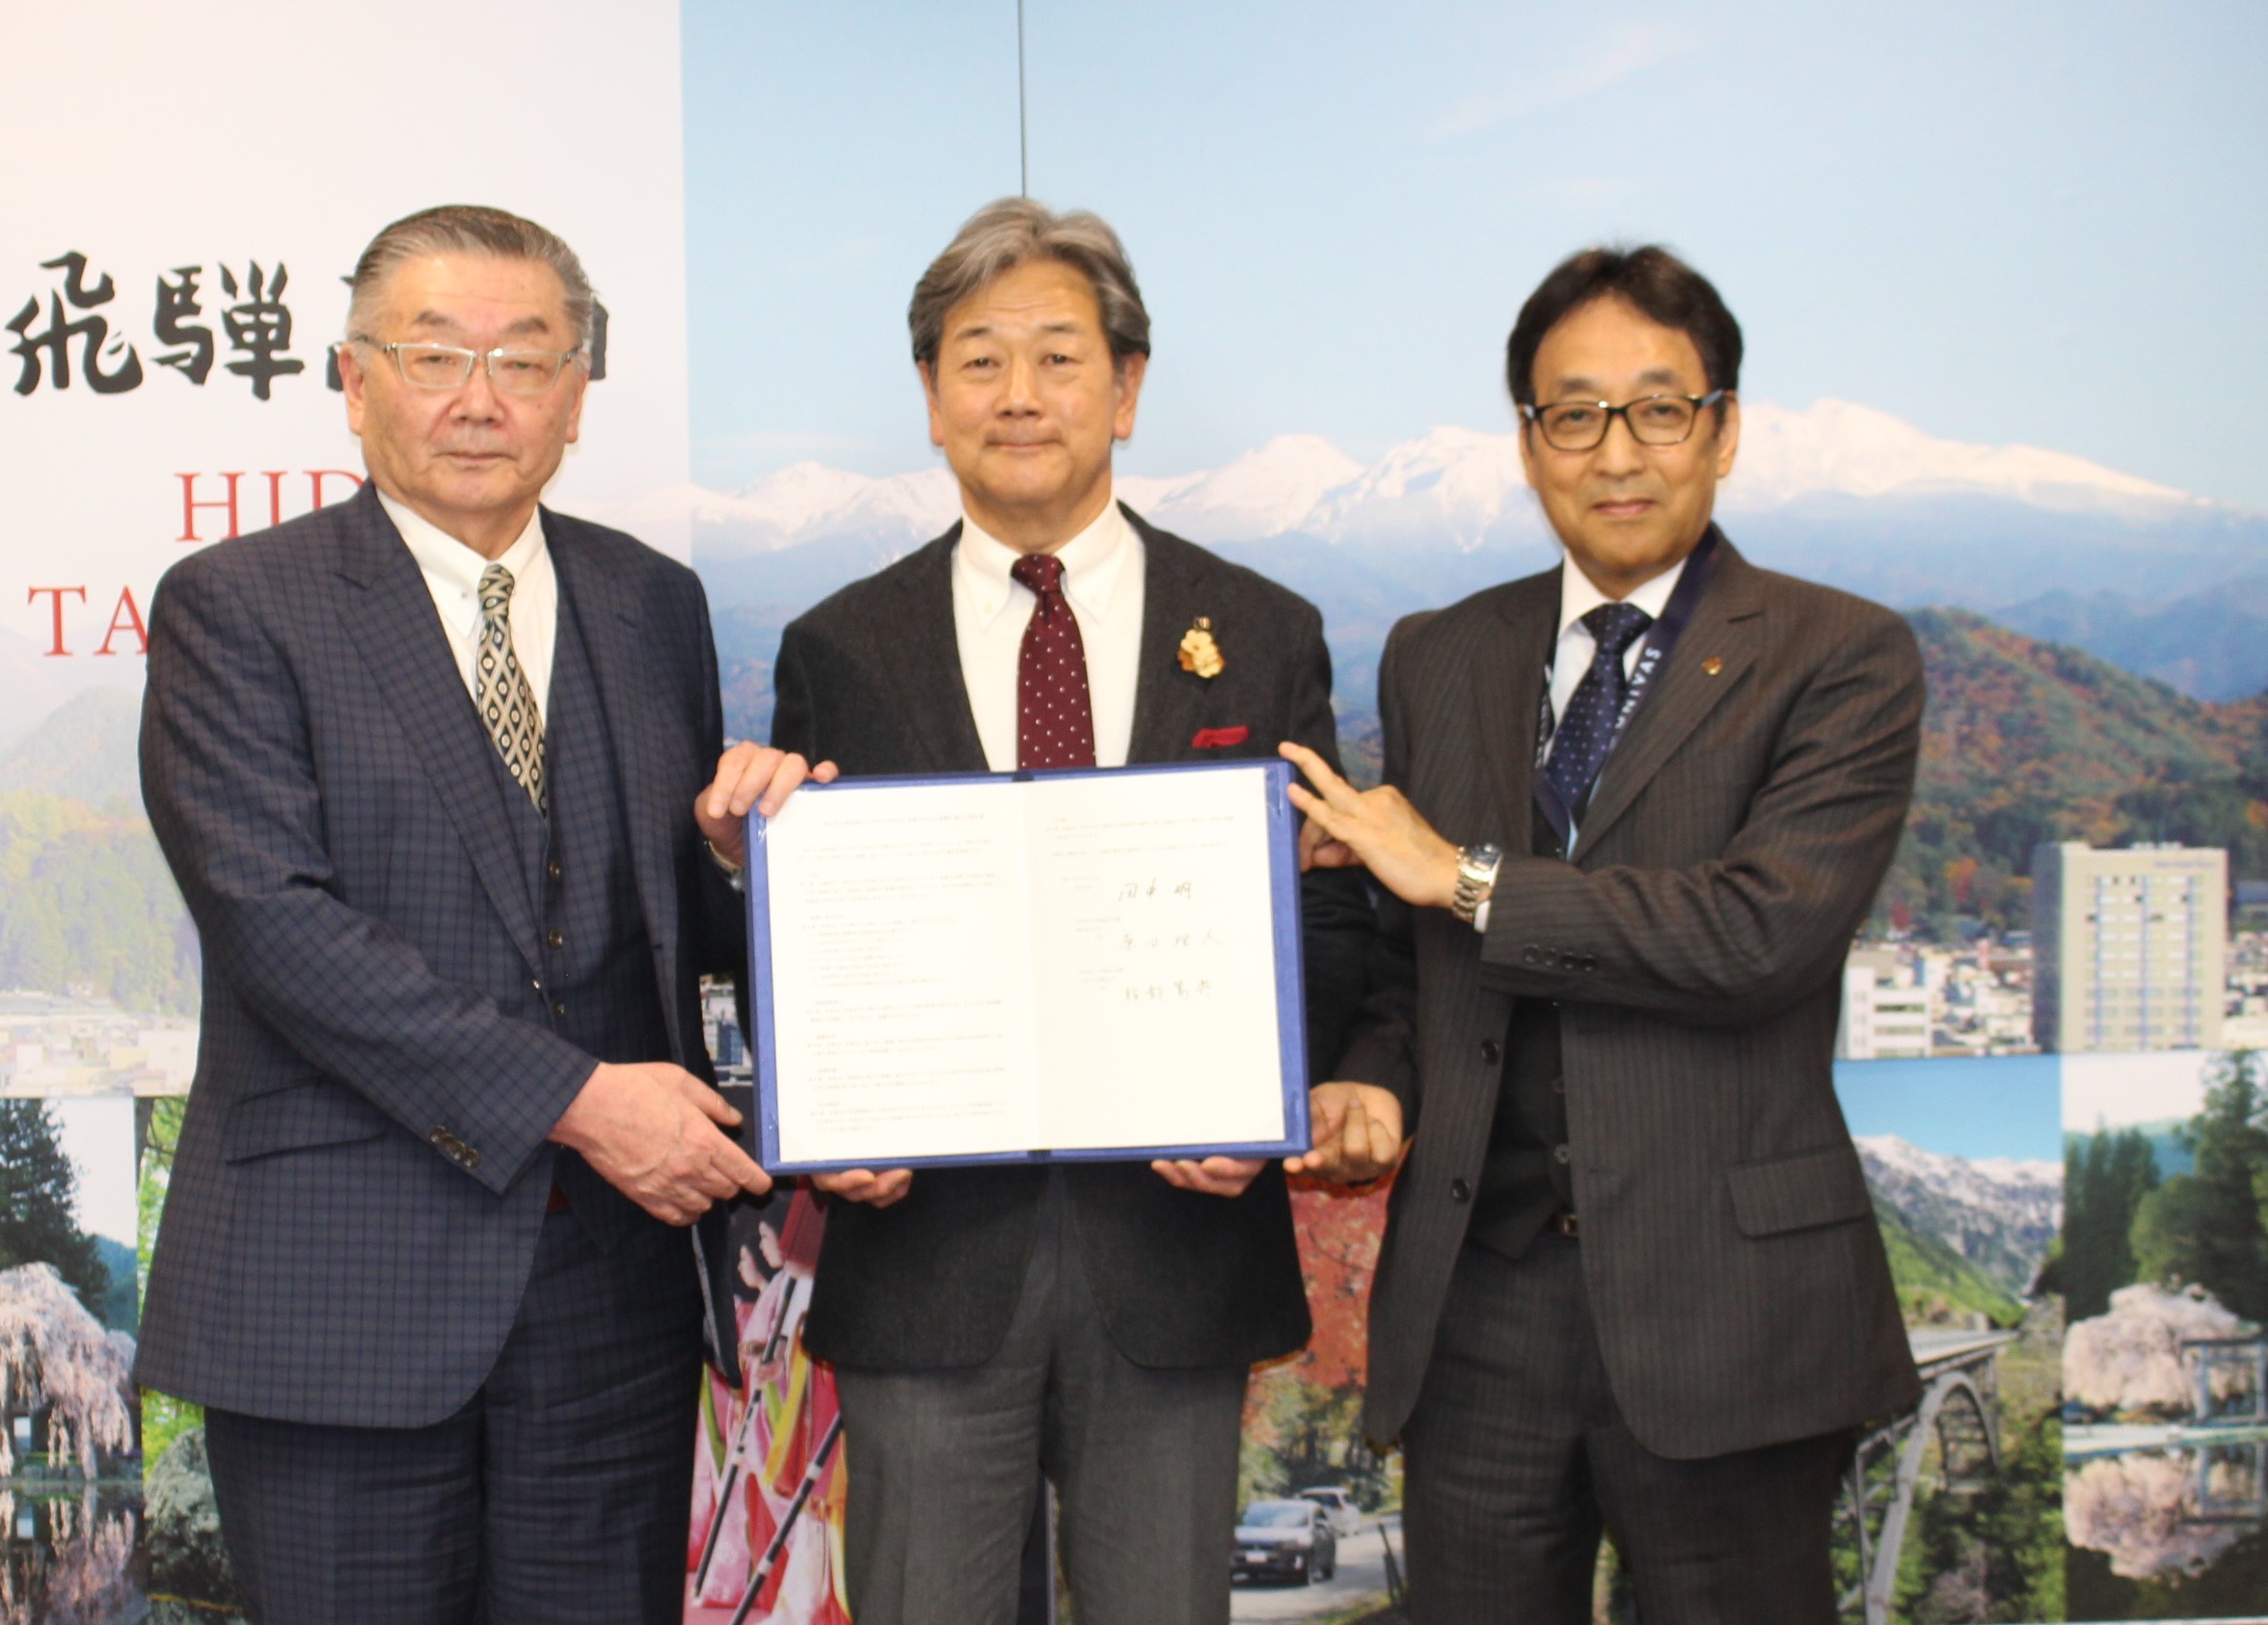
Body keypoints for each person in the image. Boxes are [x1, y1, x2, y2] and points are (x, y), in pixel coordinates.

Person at [134, 203, 819, 1624]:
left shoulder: (654, 601)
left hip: (611, 1306)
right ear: (354, 379)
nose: (478, 398)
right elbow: (278, 929)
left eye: (523, 359)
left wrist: (734, 862)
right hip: (340, 1297)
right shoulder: (237, 605)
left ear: (576, 394)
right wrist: (580, 1100)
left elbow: (657, 931)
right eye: (434, 354)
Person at [1281, 245, 1925, 1625]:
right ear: (1527, 443)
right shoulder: (1441, 652)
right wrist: (1374, 1082)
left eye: (1658, 409)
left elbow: (1760, 932)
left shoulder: (1840, 652)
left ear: (1723, 429)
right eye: (1573, 414)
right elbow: (1410, 963)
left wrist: (1463, 875)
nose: (1616, 452)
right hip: (1481, 1296)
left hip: (1728, 1302)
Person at [765, 197, 1371, 1625]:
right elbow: (802, 938)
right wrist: (834, 1124)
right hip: (926, 1262)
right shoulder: (839, 646)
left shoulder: (1262, 629)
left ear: (1128, 387)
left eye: (1057, 355)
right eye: (979, 360)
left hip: (1173, 1253)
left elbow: (1332, 917)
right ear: (931, 399)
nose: (1018, 395)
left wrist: (1271, 1094)